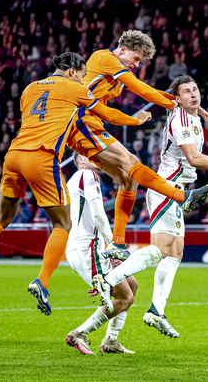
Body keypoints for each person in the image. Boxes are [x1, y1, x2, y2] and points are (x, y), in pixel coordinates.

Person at [0, 52, 208, 315]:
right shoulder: (76, 87)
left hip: (13, 155)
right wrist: (135, 120)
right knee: (63, 223)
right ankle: (42, 280)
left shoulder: (30, 89)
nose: (83, 77)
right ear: (74, 71)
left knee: (1, 217)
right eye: (81, 73)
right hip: (42, 156)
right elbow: (107, 112)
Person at [92, 75, 208, 338]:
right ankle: (109, 280)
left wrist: (198, 108)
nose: (194, 94)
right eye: (187, 92)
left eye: (196, 89)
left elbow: (173, 101)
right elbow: (194, 159)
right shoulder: (180, 118)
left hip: (178, 190)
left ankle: (156, 311)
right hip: (167, 189)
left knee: (176, 253)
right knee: (161, 250)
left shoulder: (192, 114)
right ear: (177, 98)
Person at [66, 30, 208, 260]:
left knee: (129, 179)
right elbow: (141, 89)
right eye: (136, 58)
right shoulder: (105, 59)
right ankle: (181, 197)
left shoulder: (116, 71)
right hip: (80, 121)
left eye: (141, 61)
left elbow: (149, 89)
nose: (137, 64)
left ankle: (117, 243)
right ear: (122, 50)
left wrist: (185, 104)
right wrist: (176, 104)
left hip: (89, 125)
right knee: (131, 162)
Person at [65, 152, 137, 355]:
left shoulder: (75, 180)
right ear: (79, 160)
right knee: (125, 297)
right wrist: (114, 246)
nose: (96, 157)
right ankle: (79, 333)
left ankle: (111, 341)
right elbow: (97, 214)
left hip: (86, 247)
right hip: (86, 248)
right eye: (88, 155)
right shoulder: (87, 175)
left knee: (131, 284)